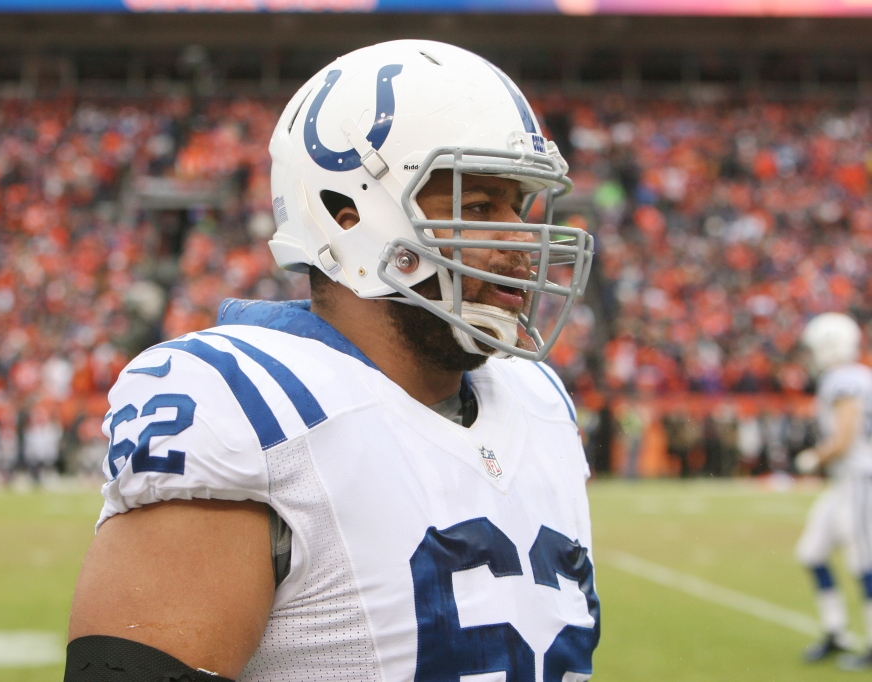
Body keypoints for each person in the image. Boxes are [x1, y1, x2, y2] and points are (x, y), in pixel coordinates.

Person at [66, 40, 598, 682]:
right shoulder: (249, 403)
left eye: (521, 206)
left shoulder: (539, 401)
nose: (519, 240)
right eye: (480, 206)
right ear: (349, 217)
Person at [794, 313, 872, 669]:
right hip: (846, 481)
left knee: (864, 562)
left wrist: (816, 456)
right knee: (812, 552)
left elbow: (845, 434)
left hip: (860, 478)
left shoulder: (844, 379)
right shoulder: (853, 375)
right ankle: (836, 632)